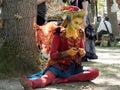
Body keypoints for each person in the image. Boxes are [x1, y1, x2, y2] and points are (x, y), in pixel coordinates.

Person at [20, 7, 99, 90]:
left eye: (79, 23)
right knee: (46, 78)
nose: (78, 26)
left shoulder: (80, 33)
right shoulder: (59, 34)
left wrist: (81, 53)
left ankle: (63, 80)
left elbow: (81, 53)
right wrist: (67, 53)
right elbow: (52, 55)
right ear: (69, 21)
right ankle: (31, 84)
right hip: (57, 66)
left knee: (94, 72)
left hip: (74, 67)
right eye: (75, 23)